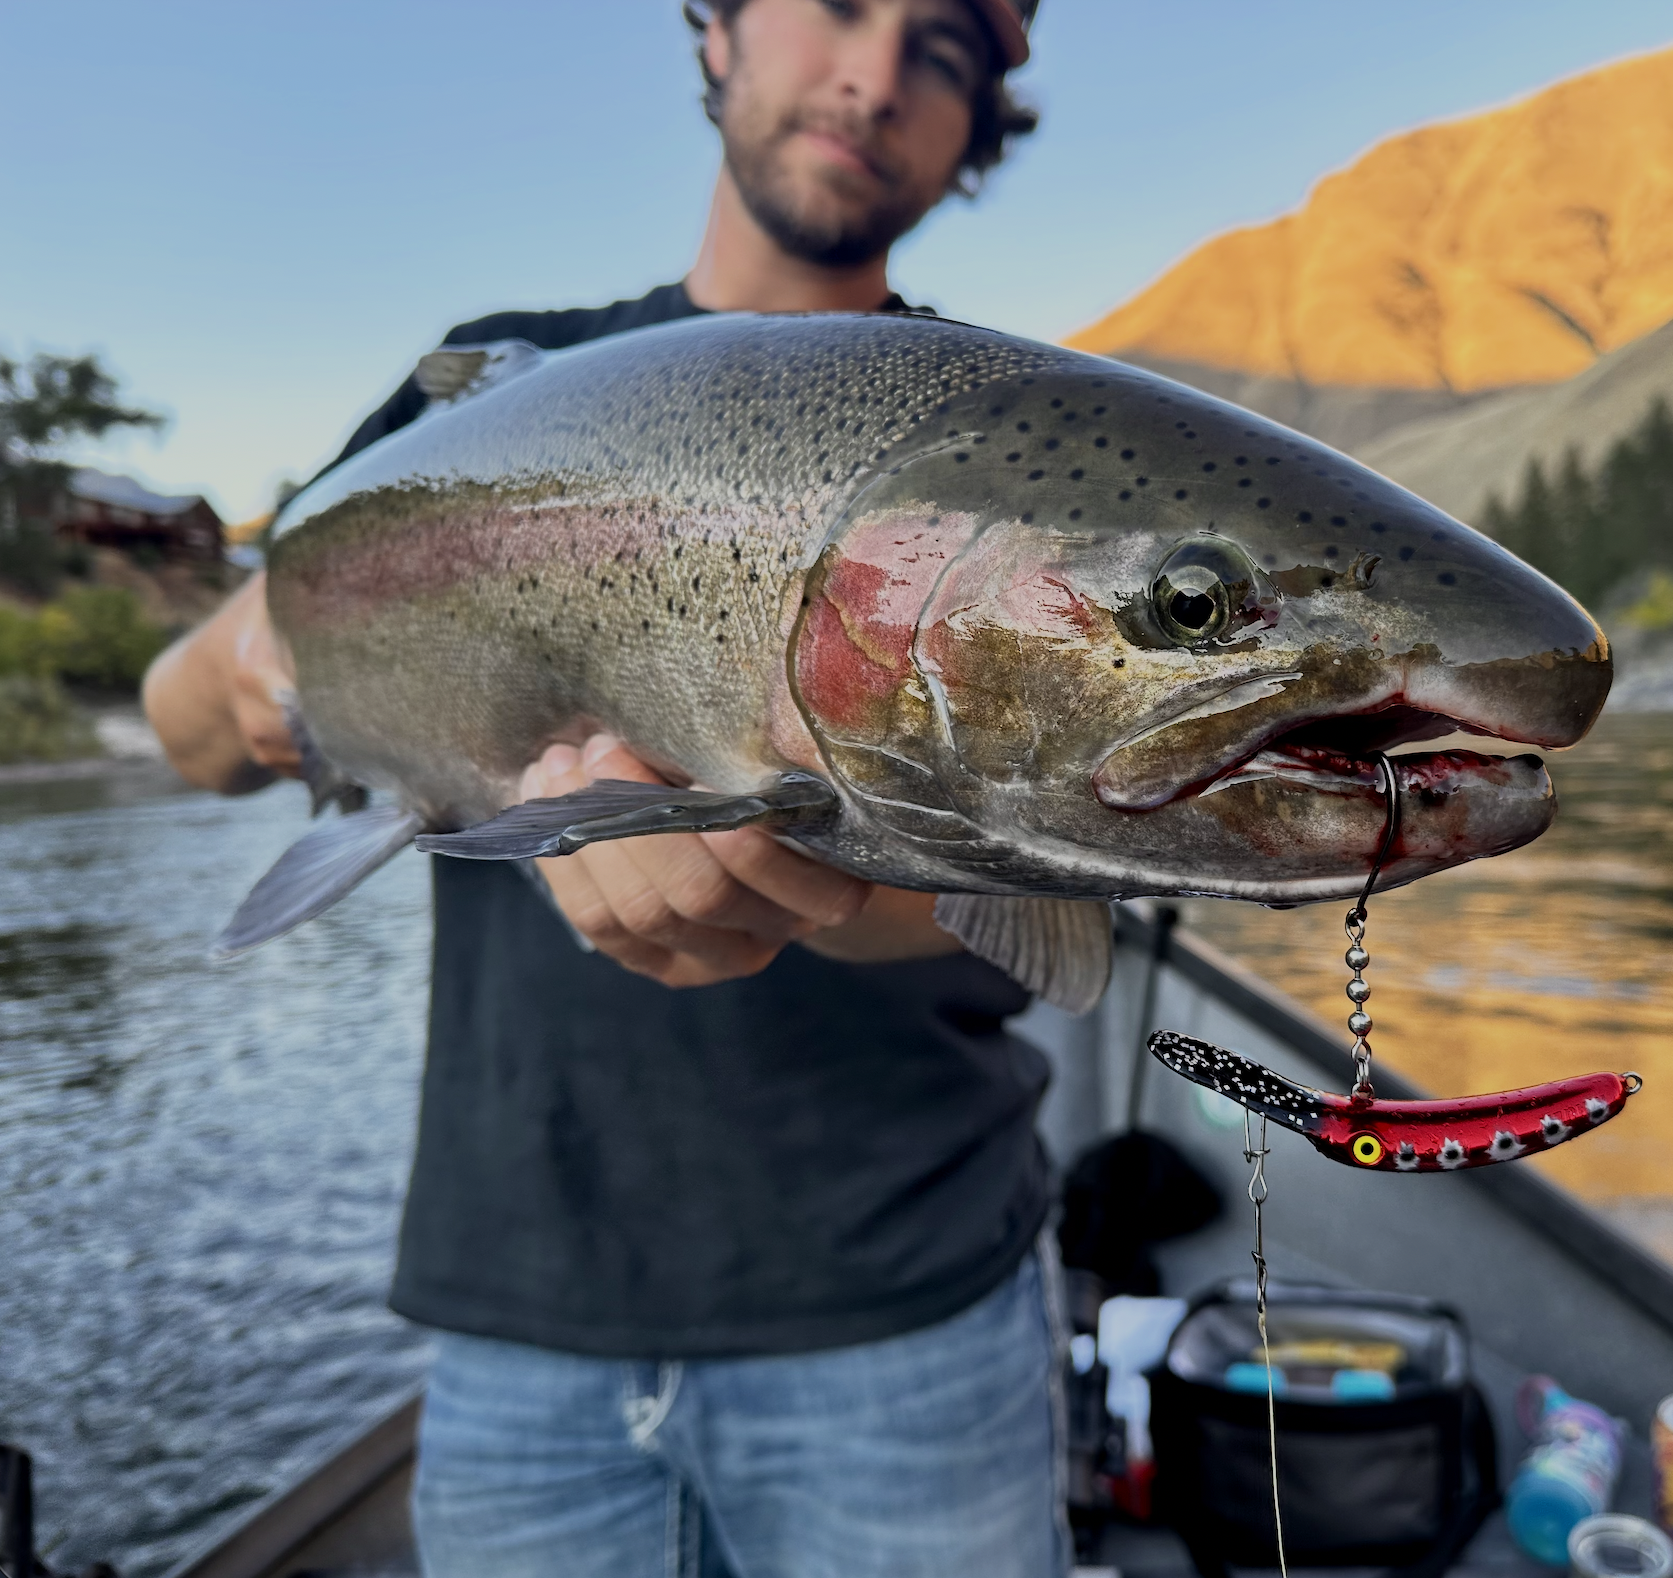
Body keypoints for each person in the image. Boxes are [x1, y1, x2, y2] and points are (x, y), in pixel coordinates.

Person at [142, 3, 1067, 1575]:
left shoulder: (1008, 456)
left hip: (911, 1312)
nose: (873, 76)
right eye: (839, 7)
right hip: (519, 1332)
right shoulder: (480, 398)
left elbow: (1058, 889)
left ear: (977, 124)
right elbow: (188, 729)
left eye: (944, 51)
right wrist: (252, 661)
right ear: (716, 33)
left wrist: (818, 894)